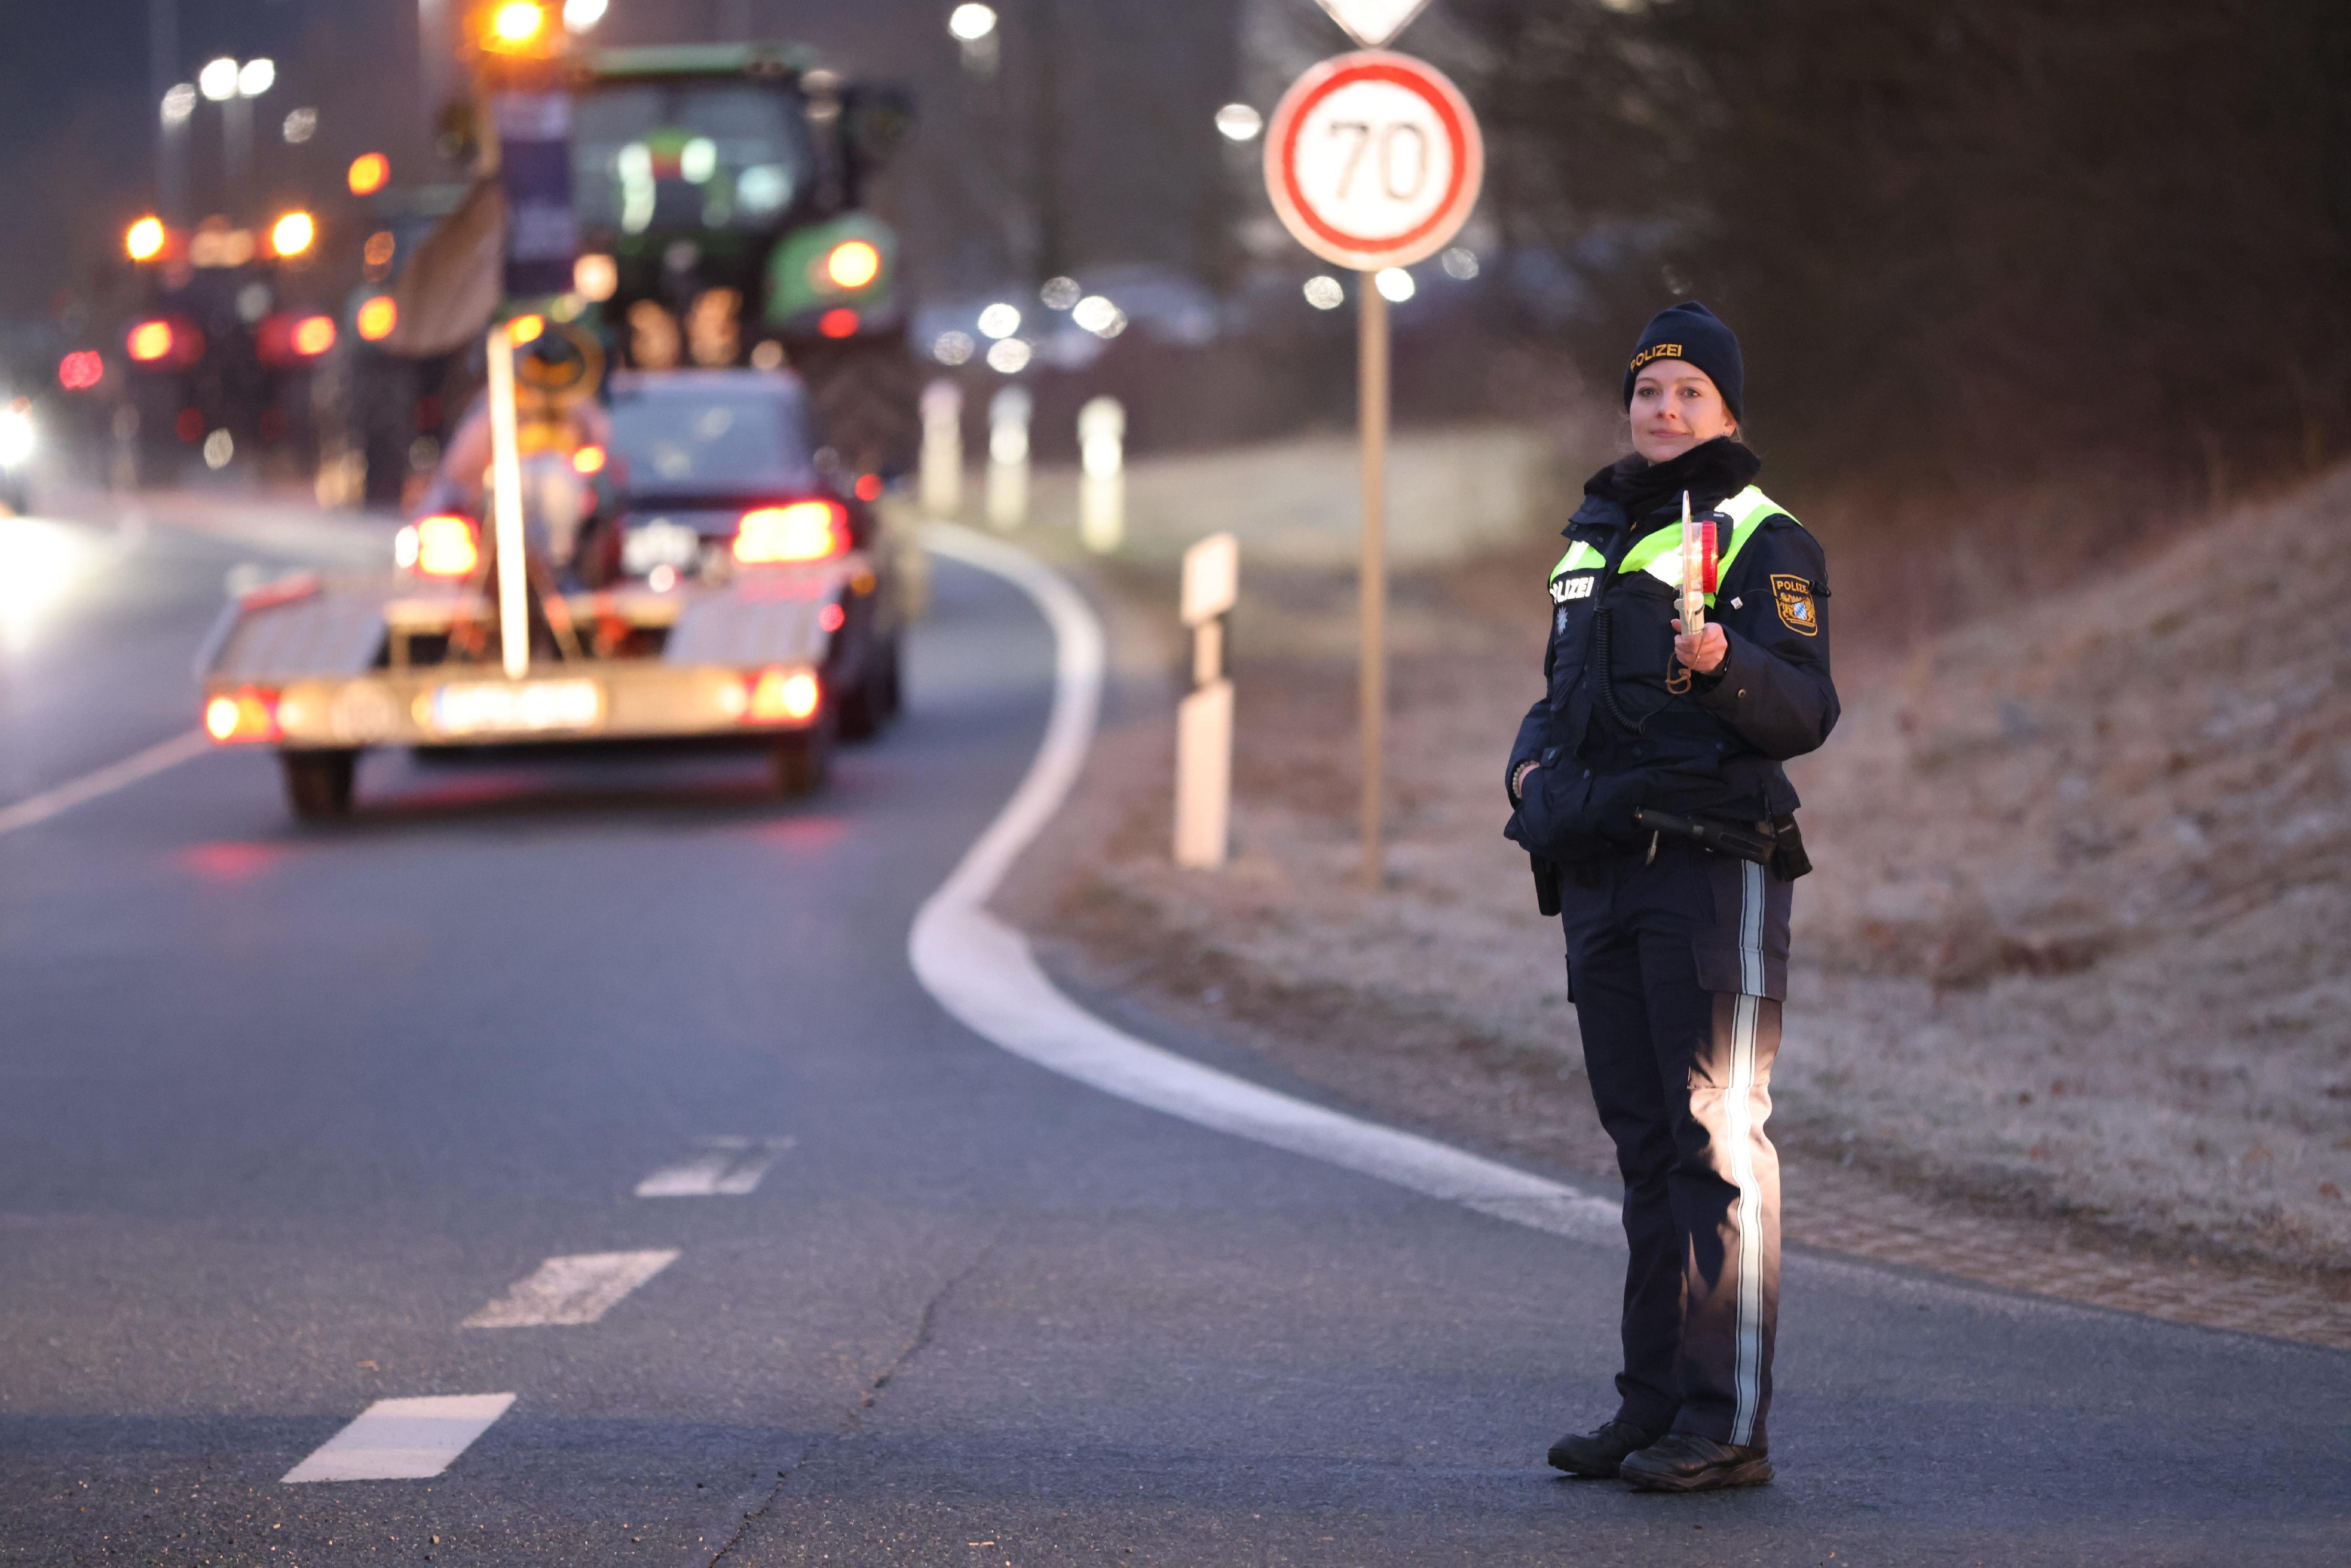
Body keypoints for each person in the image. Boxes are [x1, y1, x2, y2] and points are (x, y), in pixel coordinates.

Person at [1504, 301, 1838, 1492]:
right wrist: (1528, 767)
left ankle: (1726, 1423)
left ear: (1727, 411)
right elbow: (1558, 692)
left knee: (1715, 1139)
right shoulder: (1592, 535)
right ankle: (1650, 1409)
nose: (1663, 410)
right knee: (1645, 1146)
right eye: (1649, 392)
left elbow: (1802, 710)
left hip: (1710, 871)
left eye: (1688, 393)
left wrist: (1721, 663)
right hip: (1599, 873)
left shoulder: (1763, 538)